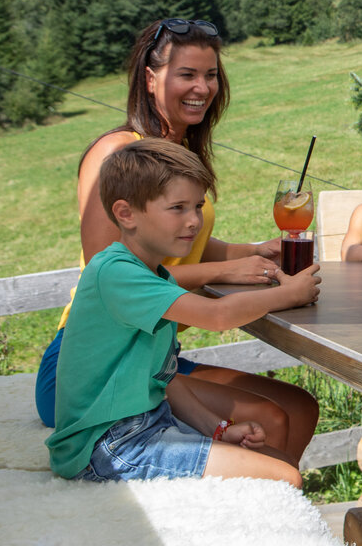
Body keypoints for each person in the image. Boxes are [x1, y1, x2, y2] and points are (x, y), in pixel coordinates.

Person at [35, 18, 319, 464]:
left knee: (299, 406)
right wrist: (230, 272)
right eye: (187, 74)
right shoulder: (119, 153)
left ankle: (275, 499)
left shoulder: (179, 154)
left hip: (154, 357)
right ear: (151, 78)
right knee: (269, 416)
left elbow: (194, 245)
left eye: (211, 75)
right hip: (100, 365)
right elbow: (114, 269)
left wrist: (255, 251)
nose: (203, 88)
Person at [47, 138, 321, 485]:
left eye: (198, 206)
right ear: (126, 214)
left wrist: (218, 429)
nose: (194, 221)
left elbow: (163, 378)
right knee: (284, 478)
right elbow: (217, 316)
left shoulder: (151, 274)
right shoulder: (116, 273)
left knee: (281, 462)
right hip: (108, 445)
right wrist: (288, 294)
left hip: (146, 424)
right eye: (178, 208)